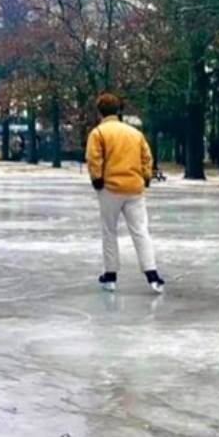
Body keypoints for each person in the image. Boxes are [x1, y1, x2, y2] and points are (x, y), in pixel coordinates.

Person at [85, 93, 165, 294]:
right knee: (140, 231)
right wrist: (145, 176)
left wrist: (97, 179)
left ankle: (110, 276)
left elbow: (94, 159)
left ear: (100, 111)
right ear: (118, 110)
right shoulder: (134, 133)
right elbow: (146, 156)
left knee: (109, 231)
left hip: (110, 188)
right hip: (134, 188)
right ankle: (152, 275)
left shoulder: (98, 133)